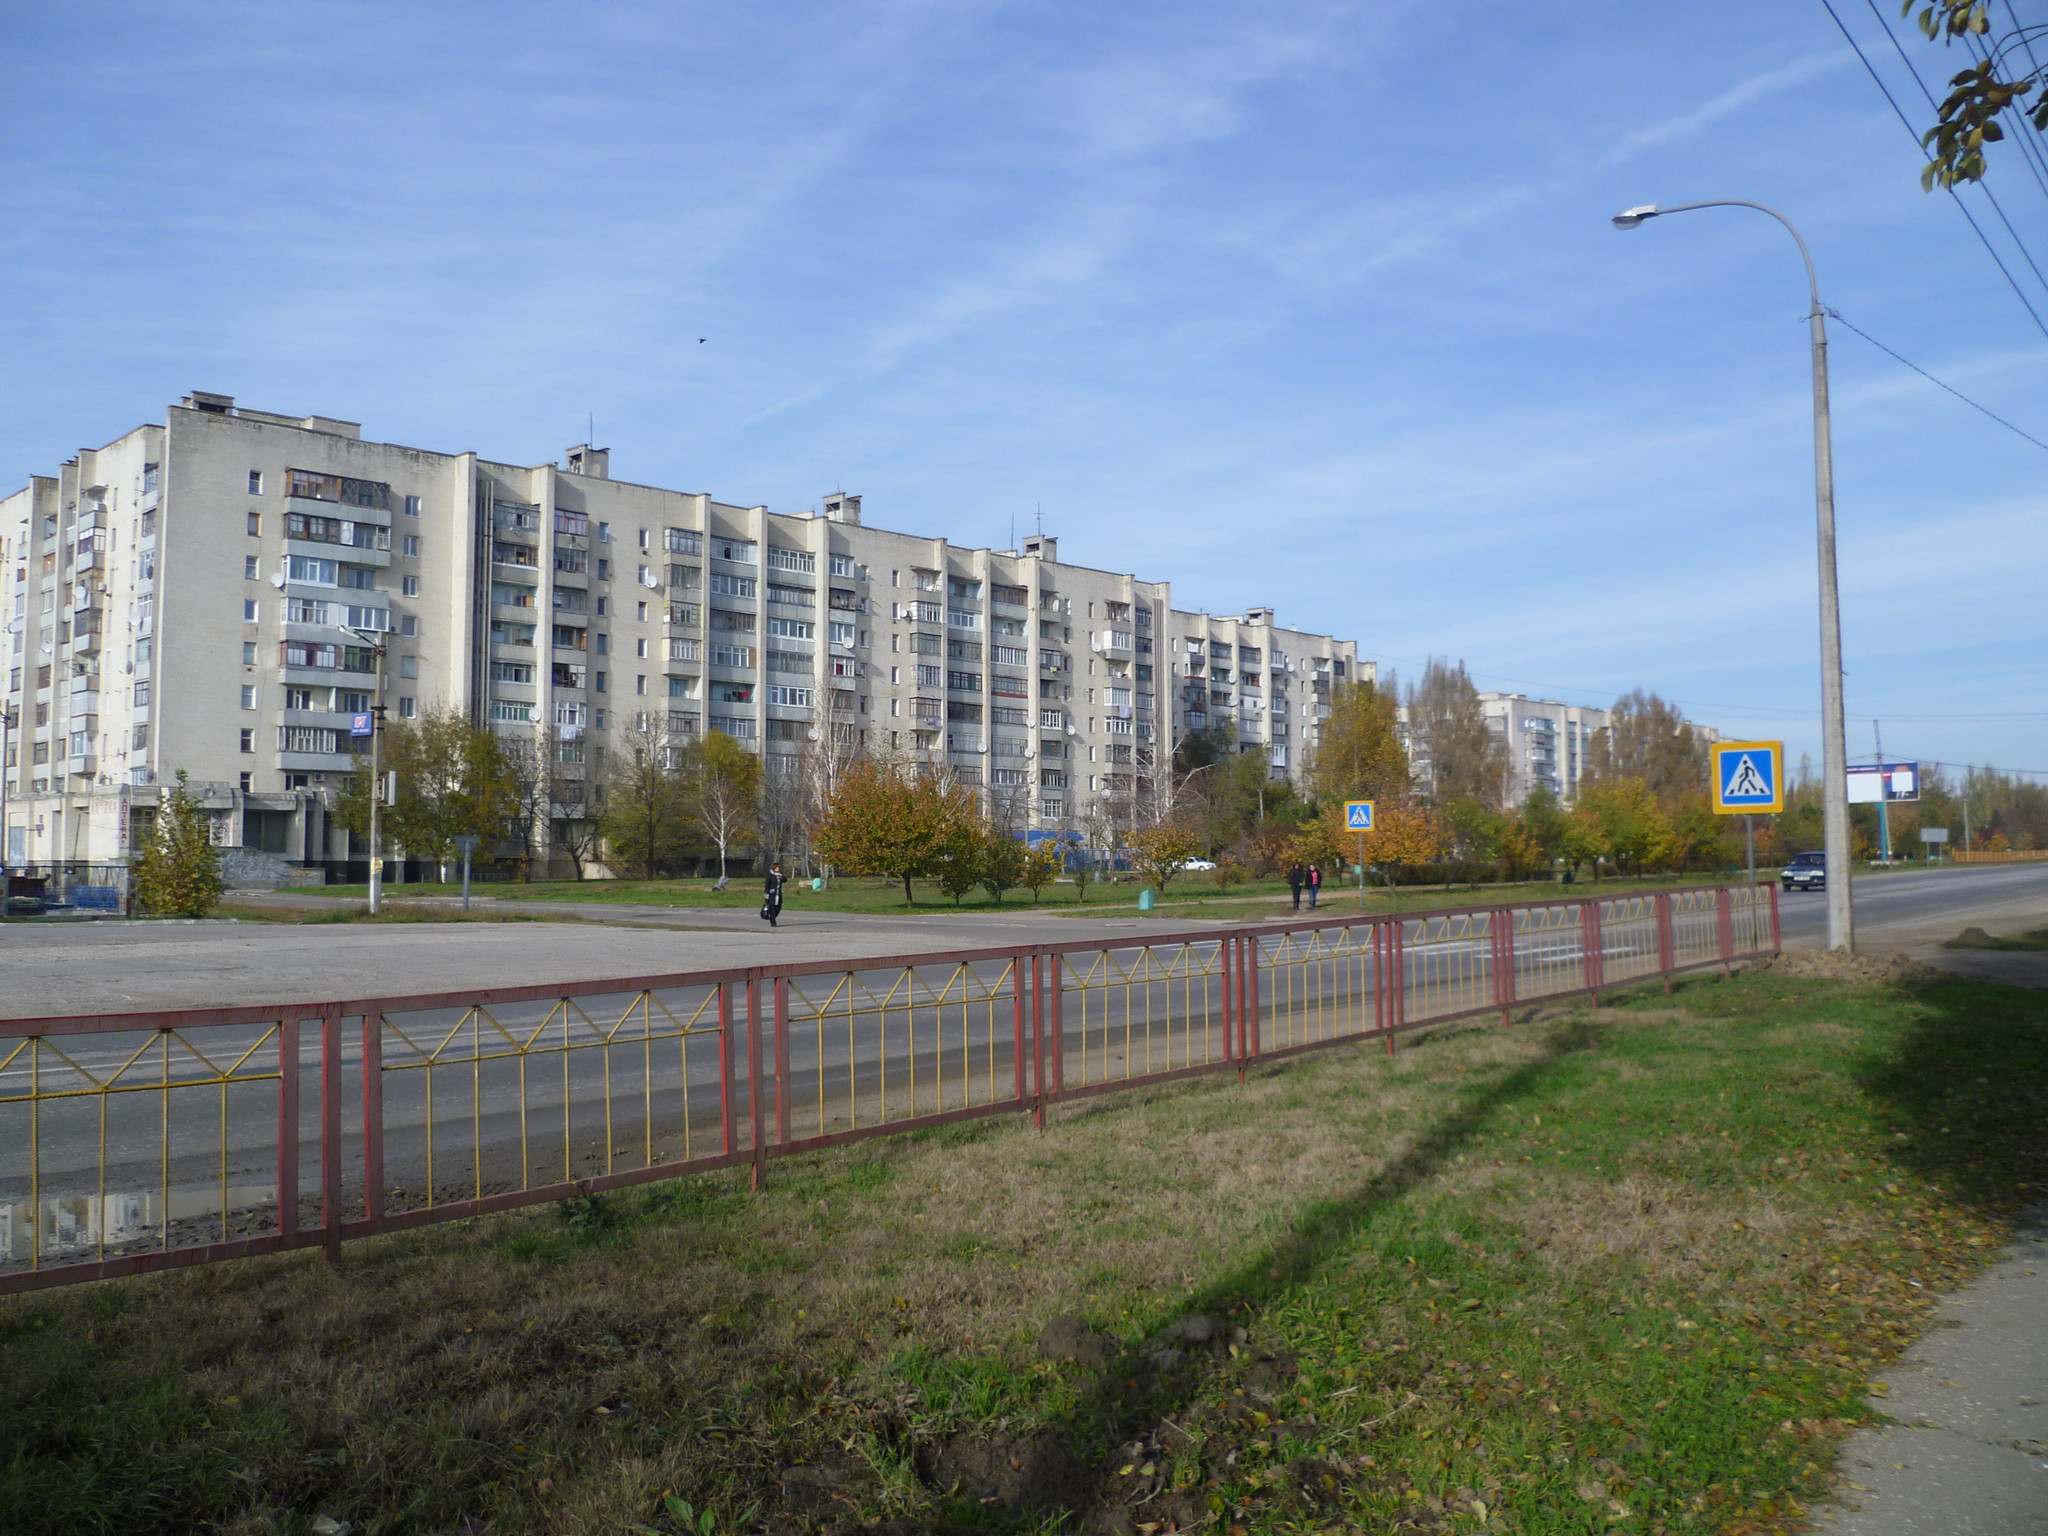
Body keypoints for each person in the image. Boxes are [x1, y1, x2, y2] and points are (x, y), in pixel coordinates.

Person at [761, 862, 785, 927]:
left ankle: (772, 917)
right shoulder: (770, 875)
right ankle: (773, 922)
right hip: (771, 894)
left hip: (778, 894)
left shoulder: (780, 874)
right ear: (773, 868)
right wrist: (766, 894)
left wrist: (781, 876)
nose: (778, 868)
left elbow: (785, 880)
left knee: (779, 907)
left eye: (778, 867)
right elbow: (767, 885)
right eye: (776, 867)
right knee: (772, 908)